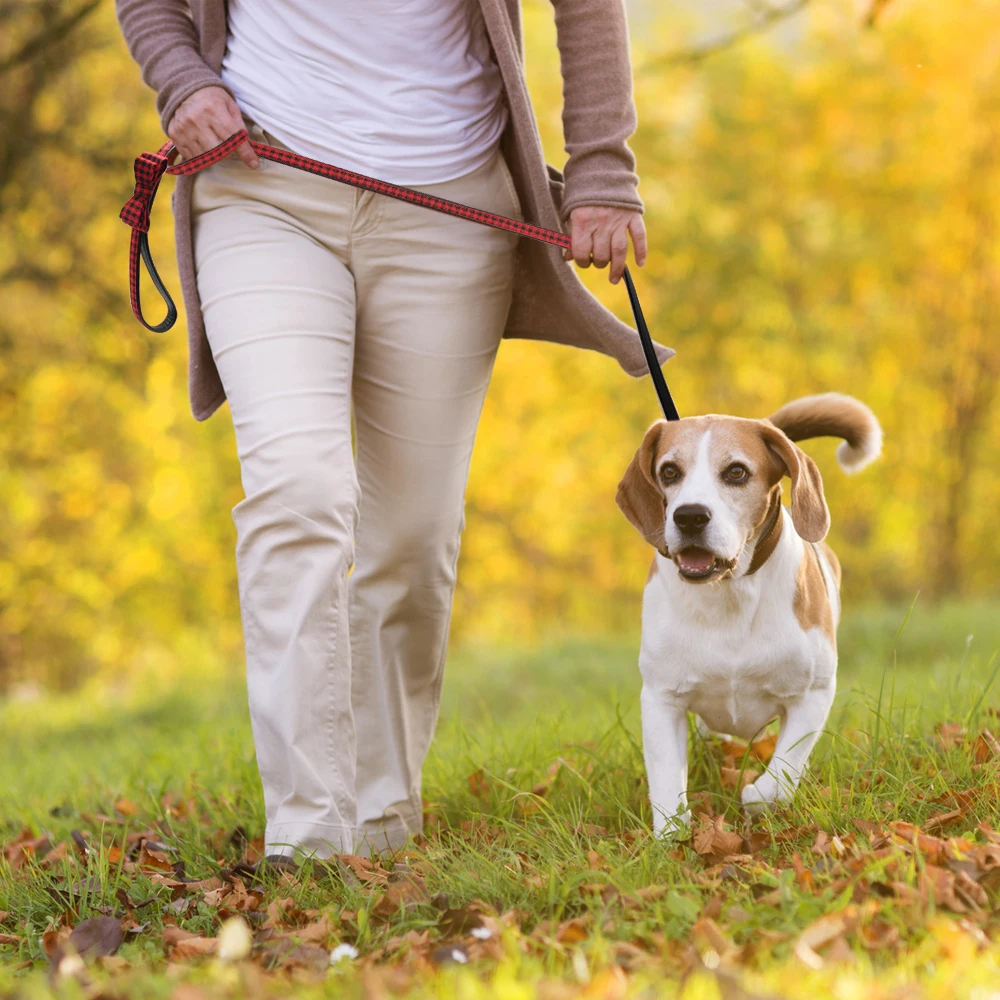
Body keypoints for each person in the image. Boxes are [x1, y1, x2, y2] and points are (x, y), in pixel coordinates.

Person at [115, 0, 672, 864]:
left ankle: (379, 822)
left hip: (448, 211)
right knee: (298, 489)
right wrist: (181, 78)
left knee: (411, 538)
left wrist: (602, 170)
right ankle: (308, 833)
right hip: (264, 188)